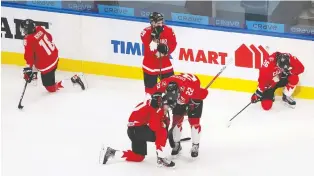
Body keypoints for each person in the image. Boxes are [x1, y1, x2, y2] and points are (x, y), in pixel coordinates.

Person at [99, 87, 179, 167]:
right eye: (168, 107)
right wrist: (164, 124)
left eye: (170, 108)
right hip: (136, 130)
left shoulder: (157, 102)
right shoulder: (156, 109)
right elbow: (155, 126)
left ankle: (111, 152)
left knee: (139, 157)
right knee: (162, 131)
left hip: (134, 130)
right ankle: (161, 158)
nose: (168, 109)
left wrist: (164, 121)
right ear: (164, 102)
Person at [151, 73, 208, 158]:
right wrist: (157, 97)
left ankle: (195, 146)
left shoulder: (191, 89)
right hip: (182, 93)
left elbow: (204, 93)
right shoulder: (164, 83)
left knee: (194, 123)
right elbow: (154, 90)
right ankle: (177, 144)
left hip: (193, 95)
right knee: (176, 122)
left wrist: (194, 102)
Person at [21, 19, 85, 92]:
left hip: (47, 66)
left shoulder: (28, 39)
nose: (23, 31)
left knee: (51, 89)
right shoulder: (39, 28)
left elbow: (29, 58)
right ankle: (34, 75)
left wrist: (28, 70)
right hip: (55, 57)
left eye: (24, 29)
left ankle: (73, 80)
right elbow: (50, 37)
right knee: (36, 55)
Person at [141, 12, 177, 97]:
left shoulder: (169, 30)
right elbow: (149, 46)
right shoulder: (145, 32)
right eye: (158, 23)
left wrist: (166, 51)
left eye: (161, 22)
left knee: (172, 89)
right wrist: (154, 38)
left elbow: (173, 43)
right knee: (150, 94)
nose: (160, 25)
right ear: (152, 23)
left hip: (165, 66)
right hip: (150, 66)